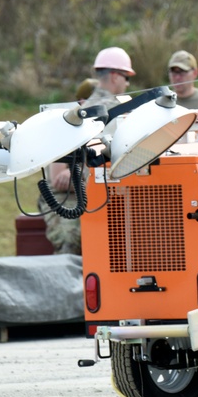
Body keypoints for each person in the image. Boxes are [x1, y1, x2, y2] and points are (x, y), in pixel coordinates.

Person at [39, 49, 134, 254]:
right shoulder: (80, 116)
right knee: (71, 239)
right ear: (115, 76)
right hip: (75, 196)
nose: (127, 84)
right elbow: (57, 179)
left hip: (109, 190)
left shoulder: (124, 111)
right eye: (126, 77)